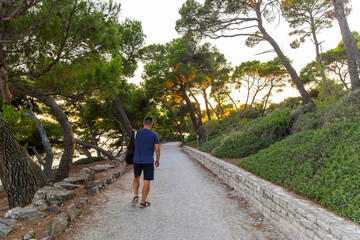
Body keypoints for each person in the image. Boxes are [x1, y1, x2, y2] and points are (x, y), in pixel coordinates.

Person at [132, 116, 160, 208]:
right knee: (146, 181)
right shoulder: (154, 135)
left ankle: (136, 196)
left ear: (143, 123)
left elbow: (132, 146)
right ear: (151, 124)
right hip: (148, 161)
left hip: (137, 160)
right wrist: (157, 160)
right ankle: (143, 202)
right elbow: (157, 150)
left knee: (136, 177)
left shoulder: (136, 133)